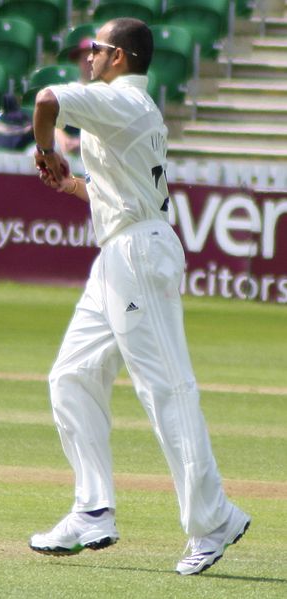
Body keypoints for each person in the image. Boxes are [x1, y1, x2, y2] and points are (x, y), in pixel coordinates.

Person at [29, 17, 251, 575]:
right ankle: (93, 508)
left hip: (137, 255)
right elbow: (122, 187)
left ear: (121, 57)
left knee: (166, 389)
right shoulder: (126, 111)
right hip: (120, 254)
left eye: (97, 51)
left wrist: (45, 152)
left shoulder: (122, 102)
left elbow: (45, 99)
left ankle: (213, 518)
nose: (89, 59)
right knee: (71, 375)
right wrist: (73, 183)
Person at [55, 38, 93, 155]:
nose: (88, 62)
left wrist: (83, 143)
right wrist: (63, 140)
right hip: (70, 146)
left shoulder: (110, 92)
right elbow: (53, 123)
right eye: (84, 58)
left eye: (92, 58)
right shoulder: (71, 90)